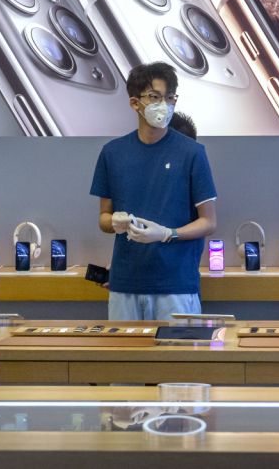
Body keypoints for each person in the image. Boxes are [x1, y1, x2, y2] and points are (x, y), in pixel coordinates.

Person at [90, 62, 217, 320]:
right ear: (135, 103)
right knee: (124, 359)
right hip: (125, 283)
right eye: (155, 97)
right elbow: (103, 219)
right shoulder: (112, 153)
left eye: (170, 98)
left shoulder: (192, 153)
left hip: (175, 285)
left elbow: (209, 221)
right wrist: (115, 222)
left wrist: (167, 234)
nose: (164, 105)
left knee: (178, 359)